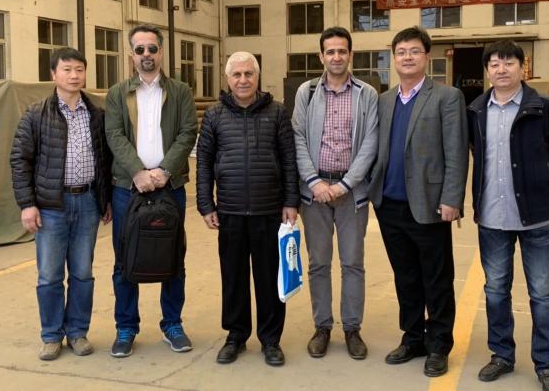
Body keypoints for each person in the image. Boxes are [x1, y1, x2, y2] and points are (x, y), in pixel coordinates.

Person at [467, 41, 549, 391]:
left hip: (537, 219)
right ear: (487, 70)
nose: (501, 69)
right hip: (492, 219)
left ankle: (547, 364)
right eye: (494, 64)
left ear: (522, 67)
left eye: (508, 62)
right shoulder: (476, 110)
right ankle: (502, 355)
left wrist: (543, 185)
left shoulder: (545, 106)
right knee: (496, 290)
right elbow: (475, 153)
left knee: (542, 292)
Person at [369, 26, 468, 377]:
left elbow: (456, 151)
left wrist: (452, 198)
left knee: (436, 278)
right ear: (393, 58)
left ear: (427, 56)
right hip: (389, 204)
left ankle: (438, 345)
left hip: (430, 204)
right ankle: (412, 338)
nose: (407, 57)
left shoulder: (446, 97)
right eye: (401, 52)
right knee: (406, 276)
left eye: (414, 51)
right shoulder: (384, 100)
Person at [196, 52, 300, 367]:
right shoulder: (214, 115)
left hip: (269, 211)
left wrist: (291, 201)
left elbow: (289, 160)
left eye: (248, 74)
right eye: (237, 74)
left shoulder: (277, 113)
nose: (243, 80)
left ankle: (271, 340)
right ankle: (236, 336)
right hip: (230, 211)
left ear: (257, 76)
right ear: (228, 79)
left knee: (269, 279)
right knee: (234, 278)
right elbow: (204, 162)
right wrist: (205, 204)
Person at [10, 47, 112, 361]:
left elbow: (106, 160)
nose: (74, 75)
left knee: (82, 273)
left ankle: (78, 332)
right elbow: (20, 160)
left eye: (79, 69)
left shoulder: (97, 114)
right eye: (67, 69)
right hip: (51, 206)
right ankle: (52, 335)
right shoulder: (36, 114)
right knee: (50, 275)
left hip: (88, 204)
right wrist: (27, 204)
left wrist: (105, 199)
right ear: (53, 74)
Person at [105, 24, 197, 358]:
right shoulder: (118, 93)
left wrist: (163, 171)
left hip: (169, 186)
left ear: (161, 52)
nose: (147, 55)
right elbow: (114, 135)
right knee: (124, 259)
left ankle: (172, 324)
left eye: (152, 48)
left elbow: (187, 132)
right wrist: (137, 172)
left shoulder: (181, 92)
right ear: (131, 55)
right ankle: (126, 327)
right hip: (128, 188)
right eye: (140, 49)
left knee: (173, 256)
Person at [292, 26, 378, 360]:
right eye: (330, 51)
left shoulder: (366, 94)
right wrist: (314, 182)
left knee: (353, 262)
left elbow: (370, 142)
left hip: (351, 193)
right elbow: (298, 137)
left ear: (350, 55)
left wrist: (345, 185)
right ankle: (323, 326)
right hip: (314, 193)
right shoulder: (307, 92)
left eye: (342, 51)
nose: (337, 57)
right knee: (319, 262)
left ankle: (352, 328)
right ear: (321, 56)